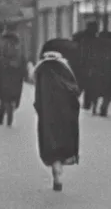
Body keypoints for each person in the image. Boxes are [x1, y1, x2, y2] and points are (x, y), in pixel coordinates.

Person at [34, 38, 82, 191]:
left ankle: (56, 169)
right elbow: (74, 91)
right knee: (64, 140)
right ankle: (61, 165)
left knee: (50, 141)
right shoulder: (66, 68)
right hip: (65, 114)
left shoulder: (41, 69)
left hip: (47, 114)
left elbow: (37, 96)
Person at [0, 32, 27, 126]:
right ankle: (7, 119)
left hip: (4, 75)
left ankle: (1, 117)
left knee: (4, 98)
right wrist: (24, 74)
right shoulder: (16, 46)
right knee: (12, 98)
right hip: (15, 76)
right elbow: (23, 60)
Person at [90, 21, 111, 117]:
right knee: (108, 91)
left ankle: (94, 107)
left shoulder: (96, 43)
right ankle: (104, 107)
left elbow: (91, 57)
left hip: (97, 71)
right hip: (110, 72)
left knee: (95, 90)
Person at [73, 20, 99, 111]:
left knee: (80, 85)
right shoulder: (94, 39)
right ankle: (86, 103)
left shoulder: (79, 37)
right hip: (87, 65)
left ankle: (73, 100)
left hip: (79, 65)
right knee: (88, 86)